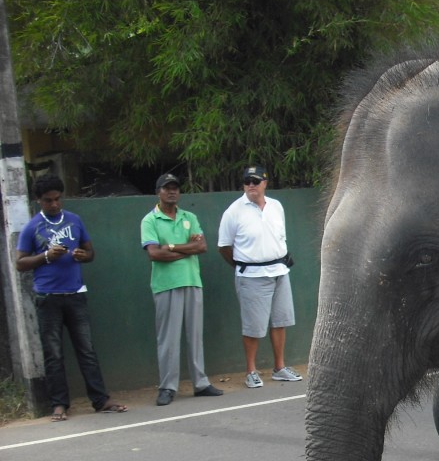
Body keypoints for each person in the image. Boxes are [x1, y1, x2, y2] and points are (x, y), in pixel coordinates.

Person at [15, 175, 128, 420]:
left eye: (58, 199)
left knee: (86, 350)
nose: (54, 204)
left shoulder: (74, 220)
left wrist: (83, 256)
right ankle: (59, 405)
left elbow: (90, 252)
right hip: (48, 297)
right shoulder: (32, 227)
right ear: (39, 200)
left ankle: (101, 400)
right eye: (48, 200)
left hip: (75, 294)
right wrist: (47, 256)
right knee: (54, 354)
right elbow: (20, 263)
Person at [140, 173, 223, 406]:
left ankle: (201, 383)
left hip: (192, 281)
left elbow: (202, 246)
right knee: (168, 339)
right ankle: (168, 387)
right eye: (167, 188)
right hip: (166, 284)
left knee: (195, 336)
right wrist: (188, 249)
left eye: (175, 188)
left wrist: (171, 247)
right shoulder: (150, 220)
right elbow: (154, 253)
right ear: (158, 192)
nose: (172, 192)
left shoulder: (190, 217)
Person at [217, 165, 302, 389]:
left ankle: (279, 368)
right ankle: (251, 371)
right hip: (251, 276)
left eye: (255, 181)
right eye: (247, 182)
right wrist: (243, 265)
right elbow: (224, 246)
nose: (251, 185)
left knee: (281, 321)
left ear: (265, 183)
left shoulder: (276, 206)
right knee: (253, 327)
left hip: (280, 272)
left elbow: (280, 237)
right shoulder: (233, 211)